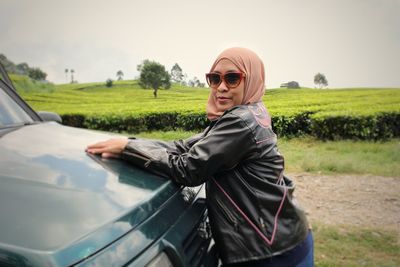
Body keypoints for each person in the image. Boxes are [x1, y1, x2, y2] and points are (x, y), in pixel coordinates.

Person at [86, 47, 313, 267]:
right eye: (215, 78)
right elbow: (182, 146)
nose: (221, 87)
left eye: (232, 78)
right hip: (283, 238)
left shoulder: (241, 121)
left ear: (250, 79)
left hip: (272, 253)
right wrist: (131, 144)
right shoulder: (245, 113)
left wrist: (127, 149)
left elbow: (188, 167)